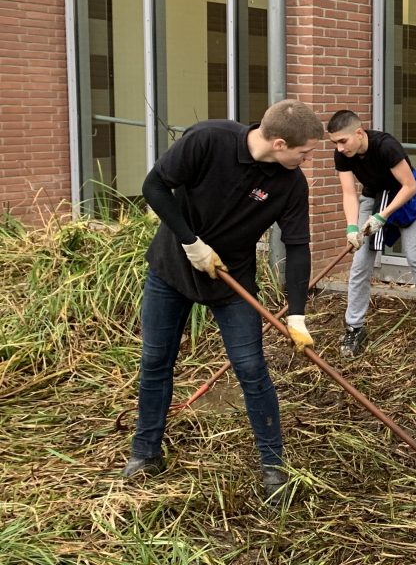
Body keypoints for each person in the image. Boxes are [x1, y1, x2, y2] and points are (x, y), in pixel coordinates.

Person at [123, 99, 323, 503]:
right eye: (304, 152)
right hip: (173, 267)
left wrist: (298, 313)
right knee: (156, 360)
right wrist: (190, 241)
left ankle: (273, 468)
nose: (307, 159)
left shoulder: (290, 183)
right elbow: (154, 186)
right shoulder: (209, 140)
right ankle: (145, 453)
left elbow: (298, 247)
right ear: (280, 143)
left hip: (231, 278)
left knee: (251, 367)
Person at [326, 110, 416, 356]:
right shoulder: (343, 155)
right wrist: (352, 227)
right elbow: (348, 193)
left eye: (343, 141)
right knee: (360, 263)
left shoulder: (386, 146)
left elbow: (410, 186)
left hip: (405, 197)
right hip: (373, 197)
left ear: (359, 132)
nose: (340, 148)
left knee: (415, 256)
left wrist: (382, 217)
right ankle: (354, 328)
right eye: (335, 143)